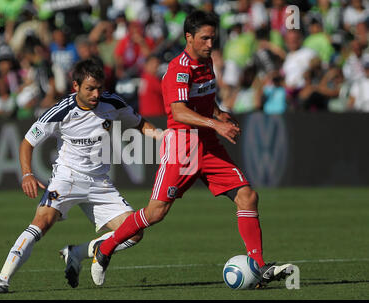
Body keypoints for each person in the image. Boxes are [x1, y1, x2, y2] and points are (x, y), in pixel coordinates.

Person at [91, 10, 294, 288]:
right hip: (182, 147)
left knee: (247, 196)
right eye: (205, 38)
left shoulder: (207, 62)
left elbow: (205, 99)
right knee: (156, 213)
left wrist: (219, 114)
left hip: (208, 144)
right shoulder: (178, 68)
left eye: (213, 38)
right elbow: (179, 111)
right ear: (189, 37)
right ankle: (105, 248)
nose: (211, 44)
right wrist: (215, 123)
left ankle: (258, 267)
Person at [0, 59, 163, 293]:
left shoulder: (112, 103)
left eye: (99, 88)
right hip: (67, 179)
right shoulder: (62, 111)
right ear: (75, 86)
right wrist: (27, 174)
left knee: (134, 233)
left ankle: (78, 252)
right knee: (41, 223)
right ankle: (2, 279)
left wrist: (163, 138)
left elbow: (140, 123)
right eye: (90, 88)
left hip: (100, 182)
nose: (96, 94)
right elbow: (28, 142)